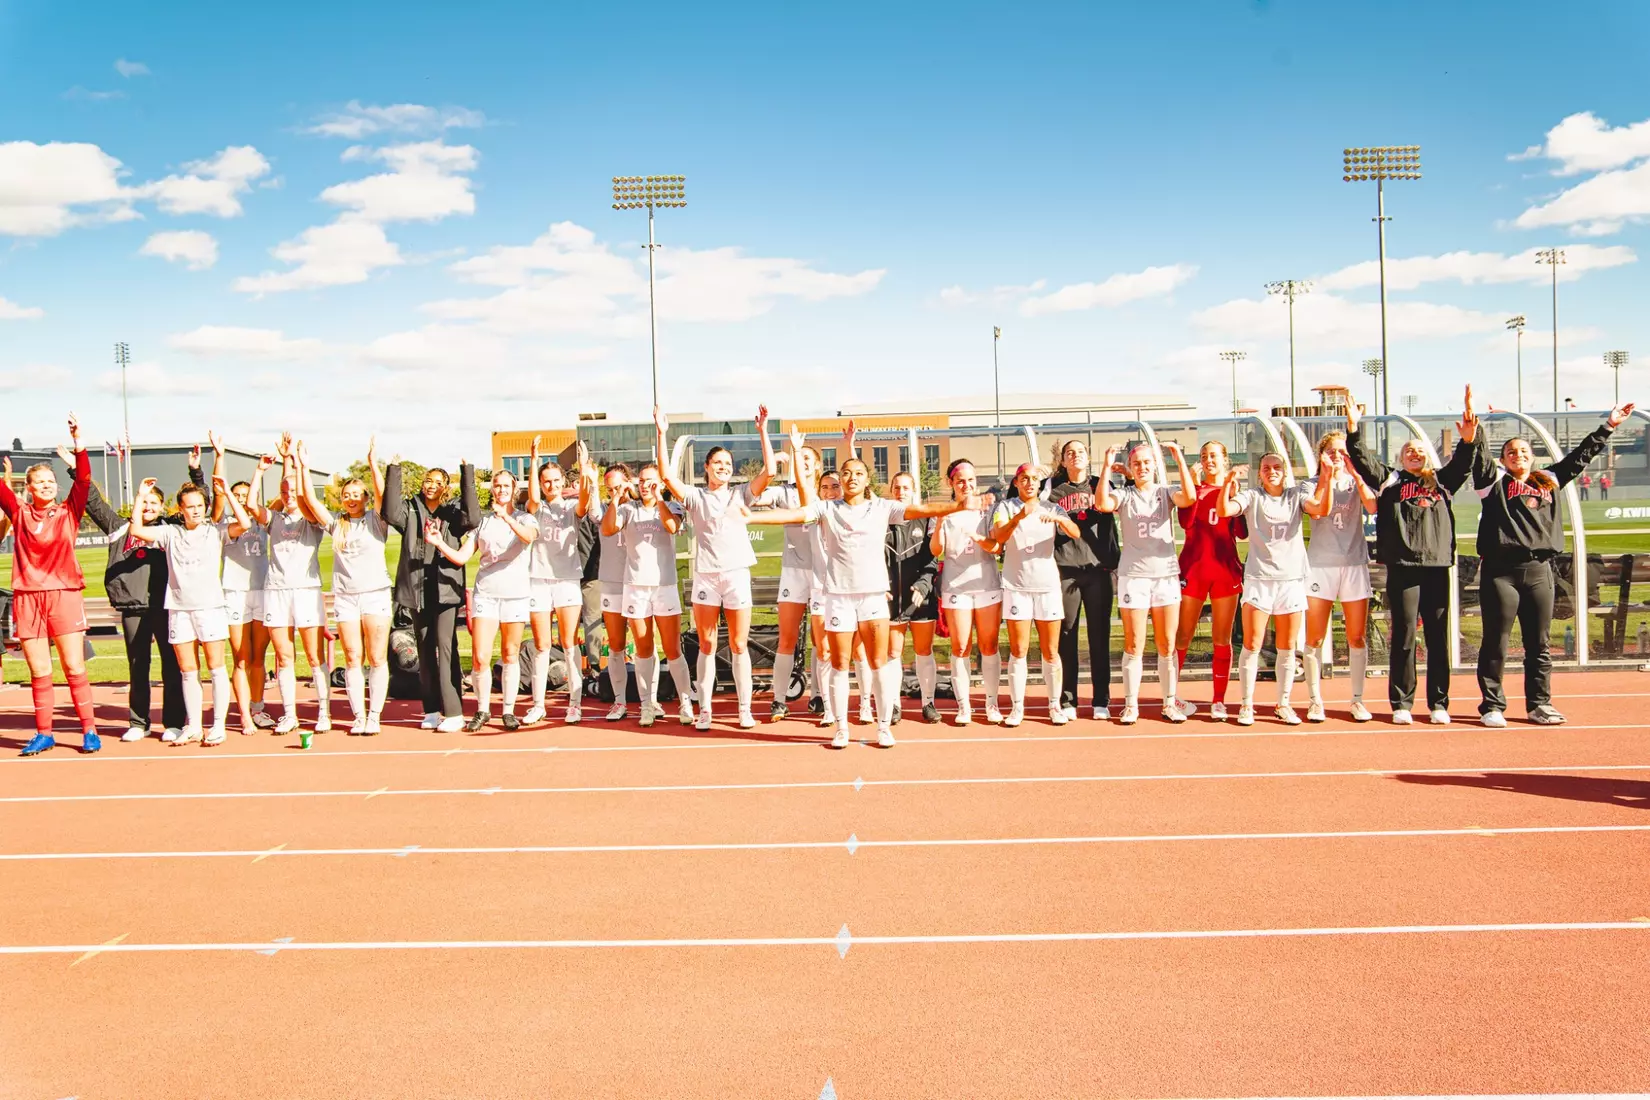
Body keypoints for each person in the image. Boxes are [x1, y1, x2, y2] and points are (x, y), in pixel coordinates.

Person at [750, 456, 977, 748]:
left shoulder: (882, 507)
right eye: (846, 473)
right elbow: (790, 516)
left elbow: (919, 509)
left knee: (878, 662)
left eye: (858, 473)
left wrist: (957, 506)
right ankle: (842, 728)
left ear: (867, 480)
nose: (851, 477)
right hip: (838, 598)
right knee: (840, 663)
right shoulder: (826, 508)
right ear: (841, 480)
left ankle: (883, 727)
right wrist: (750, 516)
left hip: (872, 597)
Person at [1472, 401, 1635, 726]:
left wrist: (1609, 425)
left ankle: (1539, 705)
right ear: (1502, 459)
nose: (1518, 455)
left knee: (1540, 643)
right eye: (1511, 452)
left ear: (1532, 456)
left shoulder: (1548, 479)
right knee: (1496, 641)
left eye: (1523, 451)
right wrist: (1474, 429)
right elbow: (1477, 457)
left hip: (1539, 571)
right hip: (1501, 573)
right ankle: (1493, 706)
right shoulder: (1492, 483)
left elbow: (1581, 457)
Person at [1346, 387, 1478, 724]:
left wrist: (1468, 438)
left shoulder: (1443, 482)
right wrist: (1354, 427)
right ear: (1401, 458)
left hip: (1436, 568)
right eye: (1408, 451)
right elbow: (1363, 459)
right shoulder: (1390, 480)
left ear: (1429, 458)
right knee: (1403, 636)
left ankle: (1438, 704)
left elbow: (1465, 460)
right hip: (1402, 569)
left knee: (1437, 638)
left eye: (1420, 450)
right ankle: (1401, 703)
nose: (1414, 454)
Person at [654, 405, 774, 731]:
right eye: (717, 463)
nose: (723, 468)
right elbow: (666, 476)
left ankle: (744, 709)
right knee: (706, 644)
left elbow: (770, 472)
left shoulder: (741, 494)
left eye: (728, 464)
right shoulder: (695, 497)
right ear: (707, 467)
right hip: (707, 576)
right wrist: (662, 433)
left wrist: (763, 430)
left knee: (738, 644)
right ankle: (704, 708)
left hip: (736, 575)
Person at [83, 446, 205, 742]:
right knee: (138, 665)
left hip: (167, 606)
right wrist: (77, 463)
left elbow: (200, 502)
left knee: (172, 665)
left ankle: (174, 722)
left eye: (154, 502)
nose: (149, 506)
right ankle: (139, 722)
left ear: (164, 508)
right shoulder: (118, 527)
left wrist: (195, 472)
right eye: (145, 501)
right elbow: (91, 499)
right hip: (133, 608)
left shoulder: (172, 529)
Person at [128, 473, 254, 745]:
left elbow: (244, 523)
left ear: (205, 507)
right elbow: (136, 530)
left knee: (216, 667)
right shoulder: (170, 533)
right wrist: (139, 497)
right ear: (180, 509)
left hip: (210, 608)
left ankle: (218, 725)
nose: (196, 511)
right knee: (188, 670)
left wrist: (226, 492)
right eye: (190, 506)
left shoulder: (215, 531)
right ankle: (194, 725)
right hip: (179, 609)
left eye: (200, 505)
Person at [2, 414, 100, 756]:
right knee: (39, 670)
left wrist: (79, 442)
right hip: (28, 598)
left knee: (74, 666)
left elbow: (84, 479)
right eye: (39, 481)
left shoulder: (69, 511)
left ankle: (89, 729)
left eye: (50, 481)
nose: (45, 485)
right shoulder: (18, 513)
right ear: (27, 487)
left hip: (64, 595)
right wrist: (5, 476)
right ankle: (44, 733)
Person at [1215, 453, 1330, 725]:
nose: (1272, 471)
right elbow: (1223, 511)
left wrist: (1327, 475)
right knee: (1252, 644)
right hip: (1259, 579)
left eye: (1277, 467)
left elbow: (1318, 507)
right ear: (1260, 474)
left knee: (1287, 647)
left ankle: (1284, 703)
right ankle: (1246, 704)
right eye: (1266, 468)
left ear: (1285, 471)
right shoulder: (1253, 496)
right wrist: (1228, 483)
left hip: (1290, 581)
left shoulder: (1295, 495)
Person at [1095, 440, 1197, 725]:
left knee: (1166, 644)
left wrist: (1178, 457)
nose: (1142, 467)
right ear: (1130, 467)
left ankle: (1169, 703)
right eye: (1136, 463)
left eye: (1147, 463)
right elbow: (1102, 503)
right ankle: (1130, 705)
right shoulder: (1125, 494)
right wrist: (1106, 465)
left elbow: (1189, 498)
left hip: (1165, 575)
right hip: (1134, 577)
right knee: (1134, 643)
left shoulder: (1165, 492)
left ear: (1155, 466)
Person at [432, 470, 537, 732]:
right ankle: (482, 709)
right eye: (497, 485)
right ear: (492, 490)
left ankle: (509, 711)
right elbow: (462, 556)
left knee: (510, 653)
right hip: (486, 594)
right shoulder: (482, 522)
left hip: (515, 594)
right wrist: (437, 543)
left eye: (506, 486)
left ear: (514, 490)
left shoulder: (525, 517)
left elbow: (528, 537)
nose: (501, 490)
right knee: (480, 656)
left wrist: (508, 519)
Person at [383, 455, 479, 733]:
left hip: (446, 590)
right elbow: (389, 512)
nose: (431, 486)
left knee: (445, 647)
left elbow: (473, 517)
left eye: (438, 482)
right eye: (428, 480)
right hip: (417, 590)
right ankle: (432, 709)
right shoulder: (410, 510)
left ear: (446, 487)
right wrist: (394, 471)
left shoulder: (452, 513)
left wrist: (467, 473)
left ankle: (454, 711)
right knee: (425, 650)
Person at [604, 461, 696, 726]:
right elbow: (609, 528)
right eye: (642, 481)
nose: (645, 485)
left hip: (664, 586)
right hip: (635, 588)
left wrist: (658, 500)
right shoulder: (627, 509)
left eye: (651, 480)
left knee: (672, 648)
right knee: (644, 649)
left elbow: (672, 527)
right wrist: (614, 499)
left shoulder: (671, 506)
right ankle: (646, 704)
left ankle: (685, 702)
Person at [254, 438, 333, 737]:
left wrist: (301, 466)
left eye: (293, 491)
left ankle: (323, 712)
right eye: (284, 491)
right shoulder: (275, 517)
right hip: (276, 592)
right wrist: (285, 462)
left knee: (315, 656)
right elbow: (259, 504)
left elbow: (306, 498)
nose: (288, 495)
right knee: (284, 657)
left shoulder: (312, 518)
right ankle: (290, 715)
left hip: (306, 591)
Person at [992, 463, 1082, 727]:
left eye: (1034, 479)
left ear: (1040, 484)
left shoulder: (1052, 507)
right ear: (1017, 482)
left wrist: (1059, 520)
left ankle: (1054, 705)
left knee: (1050, 651)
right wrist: (1019, 517)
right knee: (1019, 650)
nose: (1030, 483)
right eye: (1024, 479)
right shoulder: (1005, 507)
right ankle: (1017, 707)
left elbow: (1075, 532)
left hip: (1047, 587)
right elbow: (998, 536)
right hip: (1016, 587)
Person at [1301, 432, 1378, 723]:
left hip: (1354, 564)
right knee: (1315, 637)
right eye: (1331, 451)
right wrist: (1326, 476)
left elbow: (1372, 507)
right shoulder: (1309, 484)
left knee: (1356, 636)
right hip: (1321, 565)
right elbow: (1317, 511)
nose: (1337, 455)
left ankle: (1357, 700)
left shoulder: (1356, 482)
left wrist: (1355, 473)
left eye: (1342, 451)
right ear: (1321, 454)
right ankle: (1315, 700)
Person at [1040, 439, 1120, 721]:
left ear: (1089, 458)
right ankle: (1068, 699)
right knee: (1067, 635)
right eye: (1069, 453)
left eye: (1081, 452)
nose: (1075, 456)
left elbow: (1117, 503)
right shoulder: (1052, 488)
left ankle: (1101, 699)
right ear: (1063, 460)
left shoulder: (1103, 483)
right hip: (1066, 569)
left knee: (1100, 636)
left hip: (1098, 569)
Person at [525, 437, 597, 725]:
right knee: (542, 645)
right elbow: (531, 497)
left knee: (568, 643)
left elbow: (583, 499)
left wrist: (582, 468)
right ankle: (538, 704)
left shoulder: (570, 508)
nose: (552, 485)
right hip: (539, 580)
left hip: (566, 579)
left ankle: (575, 704)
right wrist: (533, 459)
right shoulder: (537, 508)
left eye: (556, 481)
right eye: (547, 482)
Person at [1172, 441, 1246, 721]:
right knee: (1182, 635)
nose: (1208, 460)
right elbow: (1186, 523)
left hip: (1225, 571)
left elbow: (1239, 532)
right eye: (1204, 456)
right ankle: (1172, 696)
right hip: (1193, 569)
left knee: (1221, 638)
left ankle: (1218, 700)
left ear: (1225, 460)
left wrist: (1230, 493)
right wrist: (1191, 485)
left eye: (1213, 455)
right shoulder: (1193, 491)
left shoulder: (1236, 493)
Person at [757, 424, 824, 722]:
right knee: (787, 637)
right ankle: (780, 699)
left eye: (809, 458)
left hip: (824, 574)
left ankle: (820, 696)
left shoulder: (829, 492)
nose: (804, 461)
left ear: (818, 465)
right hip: (794, 572)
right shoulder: (784, 493)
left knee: (821, 639)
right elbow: (754, 495)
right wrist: (770, 464)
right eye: (801, 457)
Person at [327, 438, 393, 735]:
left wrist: (372, 463)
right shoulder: (336, 523)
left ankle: (375, 714)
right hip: (346, 598)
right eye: (347, 495)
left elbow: (383, 493)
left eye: (357, 494)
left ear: (365, 497)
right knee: (353, 657)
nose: (352, 499)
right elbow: (310, 503)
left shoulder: (376, 520)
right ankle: (358, 715)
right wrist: (300, 466)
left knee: (377, 656)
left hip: (375, 595)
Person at [932, 459, 1004, 726]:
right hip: (956, 588)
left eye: (971, 479)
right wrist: (939, 522)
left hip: (986, 585)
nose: (966, 484)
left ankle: (991, 703)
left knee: (989, 646)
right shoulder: (945, 512)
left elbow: (997, 546)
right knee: (960, 646)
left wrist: (980, 539)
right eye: (960, 480)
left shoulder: (989, 508)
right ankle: (964, 705)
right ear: (951, 483)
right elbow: (935, 550)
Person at [886, 469, 941, 723]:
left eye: (906, 488)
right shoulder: (881, 521)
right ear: (890, 491)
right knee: (893, 653)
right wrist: (880, 586)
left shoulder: (926, 520)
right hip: (890, 599)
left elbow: (931, 560)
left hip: (920, 598)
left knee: (923, 650)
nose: (900, 492)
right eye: (896, 487)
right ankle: (894, 704)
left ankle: (928, 703)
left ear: (913, 491)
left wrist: (923, 585)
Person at [594, 463, 634, 720]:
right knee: (616, 645)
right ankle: (619, 701)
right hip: (611, 582)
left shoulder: (641, 506)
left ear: (628, 482)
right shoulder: (602, 508)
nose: (614, 492)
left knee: (645, 644)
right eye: (609, 489)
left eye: (618, 487)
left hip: (639, 582)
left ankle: (649, 699)